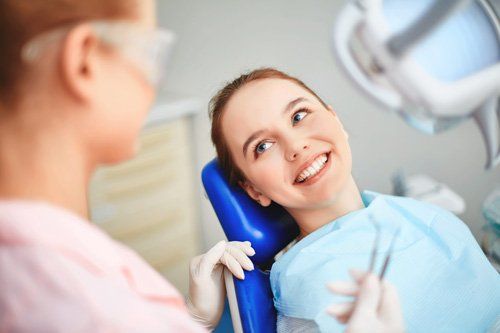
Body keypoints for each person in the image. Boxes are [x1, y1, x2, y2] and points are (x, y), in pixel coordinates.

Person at [0, 1, 255, 331]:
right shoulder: (85, 307)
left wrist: (191, 320)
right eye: (149, 51)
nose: (152, 83)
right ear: (84, 62)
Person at [208, 67, 500, 332]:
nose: (296, 146)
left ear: (336, 120)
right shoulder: (313, 290)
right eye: (263, 146)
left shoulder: (417, 213)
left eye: (299, 116)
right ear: (254, 191)